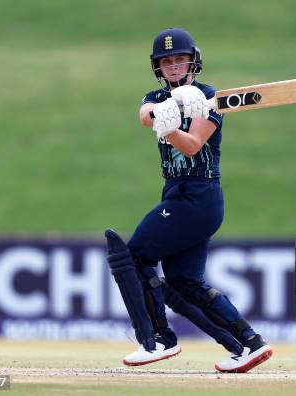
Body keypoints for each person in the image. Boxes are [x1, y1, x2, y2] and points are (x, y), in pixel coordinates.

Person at [104, 27, 273, 373]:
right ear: (158, 67)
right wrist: (167, 108)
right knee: (184, 282)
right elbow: (143, 115)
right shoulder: (154, 95)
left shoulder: (211, 98)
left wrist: (169, 127)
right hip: (178, 194)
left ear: (193, 61)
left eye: (180, 59)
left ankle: (158, 340)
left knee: (135, 256)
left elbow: (193, 145)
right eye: (167, 61)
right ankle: (248, 344)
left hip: (197, 196)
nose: (174, 66)